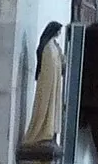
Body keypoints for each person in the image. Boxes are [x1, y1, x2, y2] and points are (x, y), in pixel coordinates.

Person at [20, 22, 66, 150]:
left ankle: (49, 134)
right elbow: (48, 66)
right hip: (48, 84)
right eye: (58, 31)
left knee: (52, 109)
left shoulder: (54, 46)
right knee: (45, 107)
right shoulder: (48, 47)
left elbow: (60, 64)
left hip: (54, 86)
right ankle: (41, 135)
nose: (59, 33)